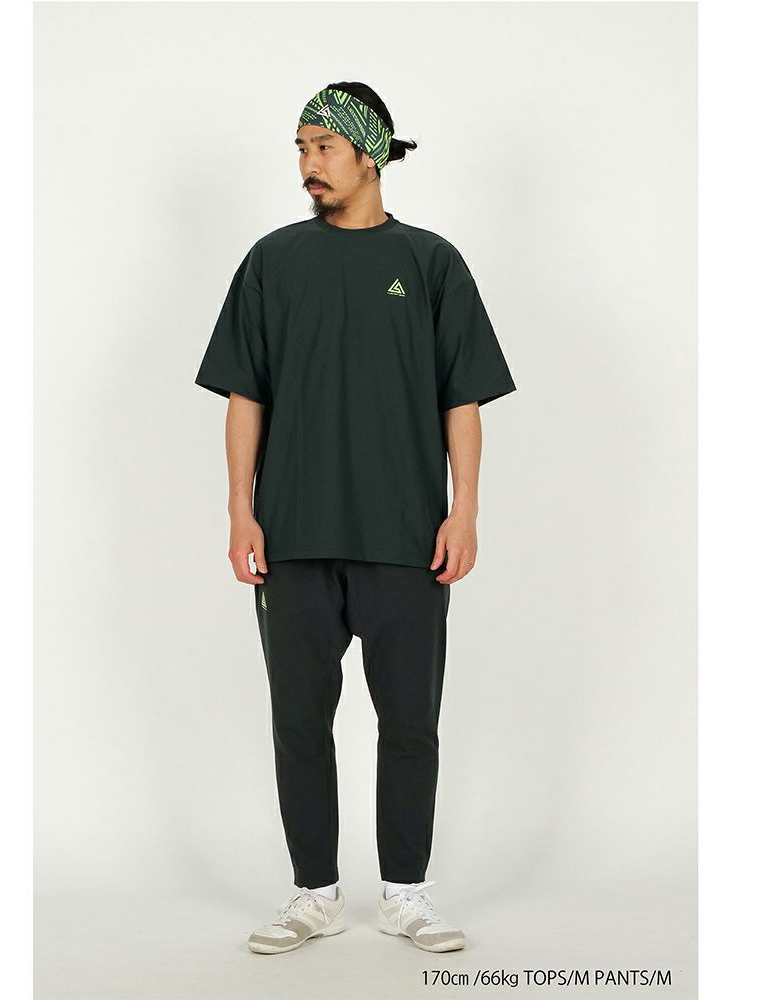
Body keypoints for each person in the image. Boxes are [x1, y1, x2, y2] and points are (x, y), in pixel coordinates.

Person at [194, 81, 517, 955]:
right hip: (292, 535)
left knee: (409, 723)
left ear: (370, 153)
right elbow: (245, 393)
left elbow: (461, 398)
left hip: (405, 537)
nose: (308, 164)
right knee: (299, 723)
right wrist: (240, 510)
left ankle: (406, 895)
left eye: (323, 146)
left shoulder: (430, 262)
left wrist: (464, 510)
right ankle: (315, 896)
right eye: (300, 148)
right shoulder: (272, 261)